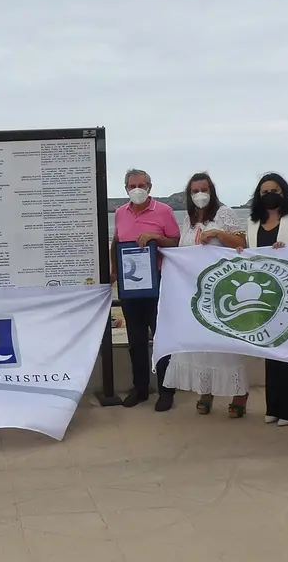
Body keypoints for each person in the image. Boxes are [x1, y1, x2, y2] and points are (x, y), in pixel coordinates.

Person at [163, 173, 250, 417]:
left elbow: (242, 242)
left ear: (211, 191)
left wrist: (219, 234)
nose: (200, 194)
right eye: (195, 191)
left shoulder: (224, 213)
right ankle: (206, 389)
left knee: (224, 344)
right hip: (196, 292)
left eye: (204, 189)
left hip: (220, 290)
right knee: (201, 343)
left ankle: (239, 393)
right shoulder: (188, 220)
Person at [244, 173, 288, 427]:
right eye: (264, 192)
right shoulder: (253, 223)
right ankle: (273, 406)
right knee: (270, 351)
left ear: (283, 192)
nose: (269, 195)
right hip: (265, 294)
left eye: (274, 190)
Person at [110, 169, 181, 411]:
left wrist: (155, 237)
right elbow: (116, 243)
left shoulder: (164, 211)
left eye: (142, 184)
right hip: (130, 286)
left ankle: (166, 390)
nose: (137, 189)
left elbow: (175, 241)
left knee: (161, 337)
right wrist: (114, 271)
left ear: (150, 187)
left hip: (158, 281)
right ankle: (139, 389)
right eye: (132, 185)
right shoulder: (120, 213)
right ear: (126, 188)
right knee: (136, 339)